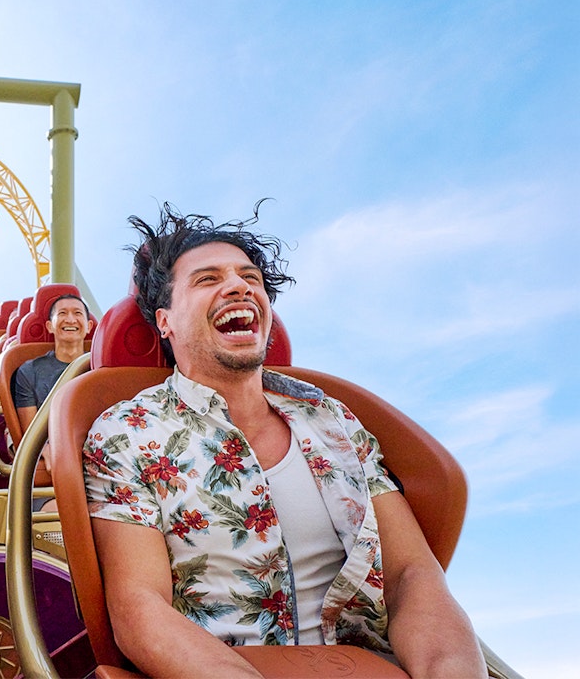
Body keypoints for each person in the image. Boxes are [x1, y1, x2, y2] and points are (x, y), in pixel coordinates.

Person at [82, 204, 484, 678]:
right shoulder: (127, 431)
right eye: (207, 279)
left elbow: (411, 575)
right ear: (164, 321)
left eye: (249, 277)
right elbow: (138, 609)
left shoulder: (331, 418)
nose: (239, 286)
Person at [12, 294, 92, 431]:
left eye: (77, 313)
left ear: (89, 326)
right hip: (53, 445)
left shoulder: (100, 366)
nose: (71, 320)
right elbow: (32, 436)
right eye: (62, 313)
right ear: (50, 326)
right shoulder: (29, 371)